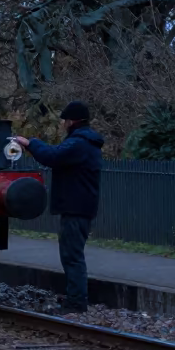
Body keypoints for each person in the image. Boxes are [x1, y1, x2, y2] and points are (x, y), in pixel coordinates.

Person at [10, 101, 104, 314]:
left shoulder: (79, 144)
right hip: (79, 206)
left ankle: (77, 302)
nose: (63, 124)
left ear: (72, 121)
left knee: (72, 256)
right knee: (72, 254)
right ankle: (74, 297)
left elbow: (53, 156)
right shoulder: (87, 143)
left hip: (76, 207)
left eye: (65, 120)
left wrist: (29, 143)